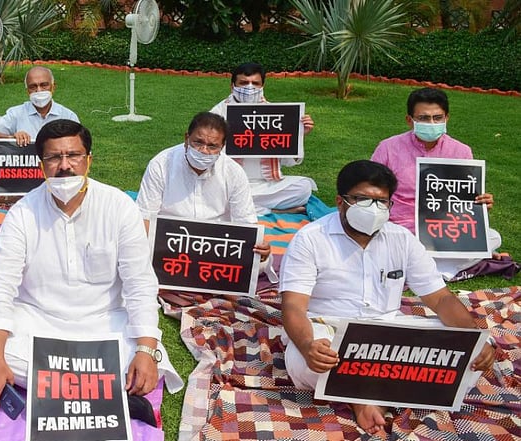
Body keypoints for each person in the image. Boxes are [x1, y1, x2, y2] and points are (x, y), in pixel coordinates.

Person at [0, 119, 183, 424]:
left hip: (104, 321)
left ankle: (53, 389)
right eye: (54, 157)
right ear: (41, 165)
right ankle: (108, 393)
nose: (64, 166)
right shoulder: (22, 213)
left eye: (73, 155)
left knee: (141, 356)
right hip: (39, 321)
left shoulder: (119, 207)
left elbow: (140, 284)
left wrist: (145, 350)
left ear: (89, 159)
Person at [279, 160, 496, 437]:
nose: (373, 209)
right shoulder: (310, 239)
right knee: (303, 359)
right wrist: (309, 344)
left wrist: (476, 338)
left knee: (466, 353)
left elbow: (440, 298)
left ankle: (362, 394)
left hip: (388, 333)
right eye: (362, 199)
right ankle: (379, 395)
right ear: (340, 201)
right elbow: (294, 306)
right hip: (329, 329)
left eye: (381, 202)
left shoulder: (401, 238)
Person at [371, 87, 500, 279]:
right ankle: (442, 267)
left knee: (493, 237)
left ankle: (418, 268)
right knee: (388, 239)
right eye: (423, 118)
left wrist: (480, 205)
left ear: (446, 118)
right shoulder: (388, 148)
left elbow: (463, 200)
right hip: (399, 227)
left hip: (443, 228)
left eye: (437, 118)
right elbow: (370, 188)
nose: (431, 123)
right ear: (410, 120)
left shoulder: (461, 152)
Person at [136, 112, 273, 270]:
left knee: (261, 262)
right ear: (186, 139)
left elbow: (246, 224)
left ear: (222, 147)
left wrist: (259, 247)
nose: (204, 151)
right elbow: (144, 217)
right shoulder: (161, 164)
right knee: (132, 252)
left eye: (212, 146)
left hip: (216, 247)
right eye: (198, 142)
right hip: (169, 244)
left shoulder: (233, 172)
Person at [209, 62, 316, 215]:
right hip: (230, 182)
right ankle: (270, 210)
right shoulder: (217, 114)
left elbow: (287, 161)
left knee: (303, 188)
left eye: (255, 83)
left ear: (262, 86)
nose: (249, 88)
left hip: (267, 184)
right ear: (232, 86)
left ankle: (241, 206)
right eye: (244, 83)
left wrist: (298, 135)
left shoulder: (275, 114)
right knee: (214, 191)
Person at [0, 66, 79, 165]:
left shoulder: (68, 116)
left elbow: (79, 149)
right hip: (24, 175)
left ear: (53, 87)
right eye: (33, 87)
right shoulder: (16, 113)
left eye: (44, 85)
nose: (39, 90)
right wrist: (11, 138)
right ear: (27, 91)